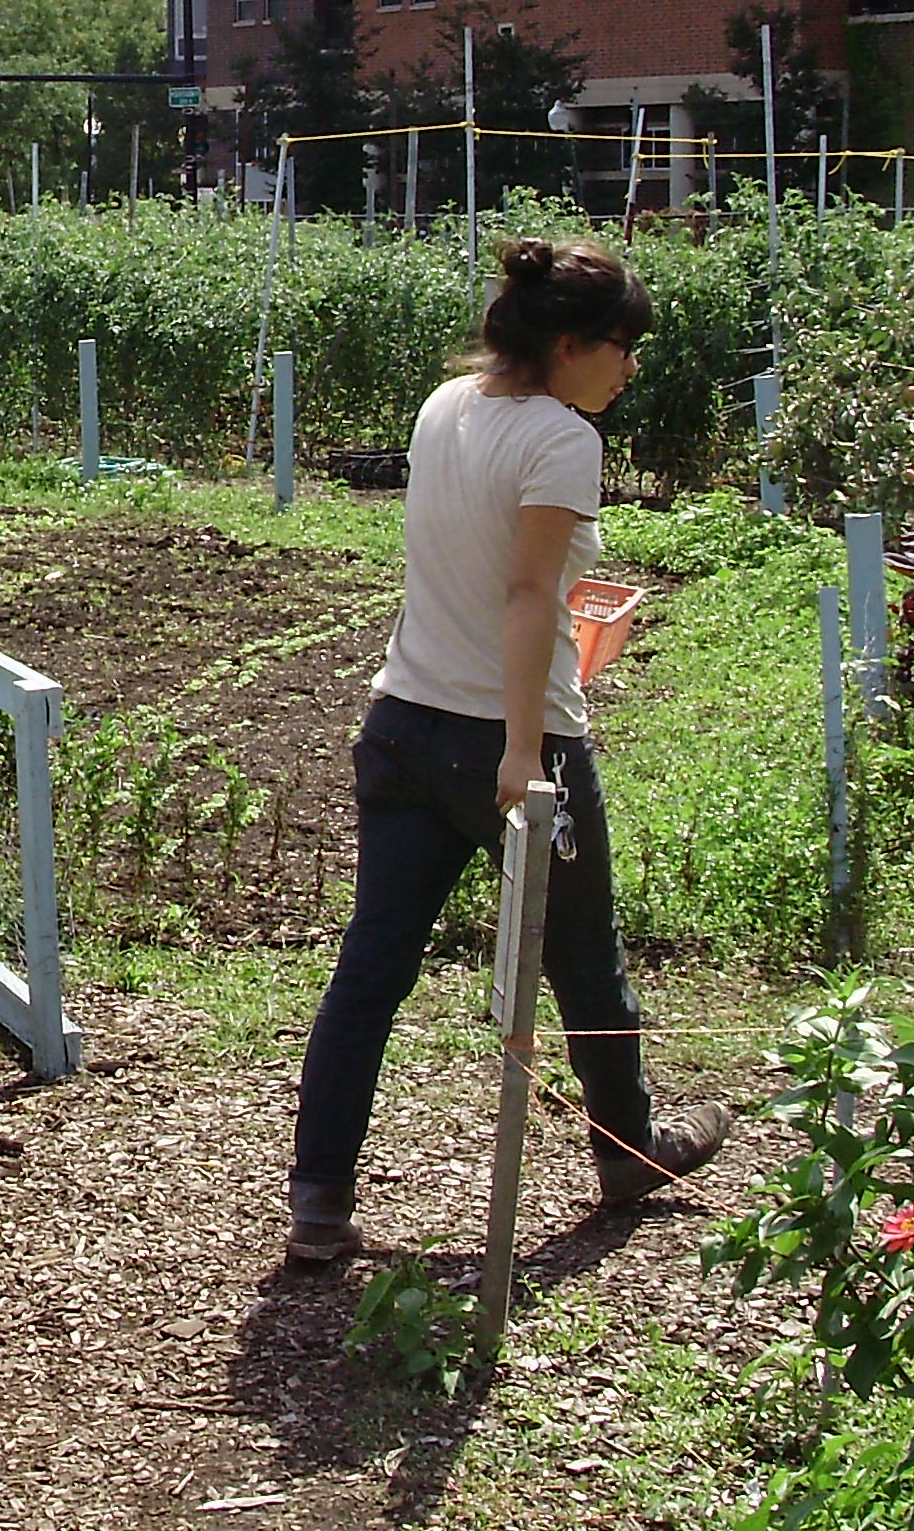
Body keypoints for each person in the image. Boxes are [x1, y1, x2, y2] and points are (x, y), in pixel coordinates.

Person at [285, 235, 729, 1266]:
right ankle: (629, 1153)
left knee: (370, 972)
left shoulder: (447, 408)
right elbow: (531, 596)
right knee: (586, 958)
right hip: (508, 742)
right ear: (570, 344)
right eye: (621, 348)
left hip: (400, 724)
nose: (631, 368)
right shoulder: (563, 442)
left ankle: (318, 1201)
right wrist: (526, 754)